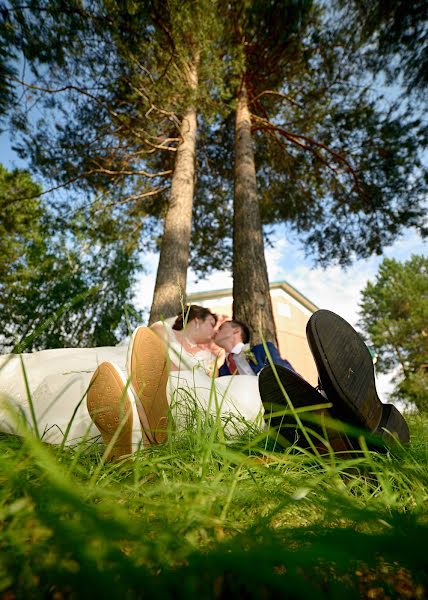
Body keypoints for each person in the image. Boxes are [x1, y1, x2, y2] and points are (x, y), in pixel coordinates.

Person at [85, 305, 267, 459]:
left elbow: (214, 384)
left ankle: (142, 435)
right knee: (179, 382)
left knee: (206, 392)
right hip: (161, 383)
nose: (214, 332)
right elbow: (149, 360)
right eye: (212, 325)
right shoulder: (162, 331)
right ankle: (145, 431)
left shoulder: (214, 358)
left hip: (194, 393)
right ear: (197, 320)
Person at [213, 319, 294, 376]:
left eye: (221, 328)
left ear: (236, 330)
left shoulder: (264, 350)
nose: (216, 331)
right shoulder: (222, 370)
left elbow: (286, 375)